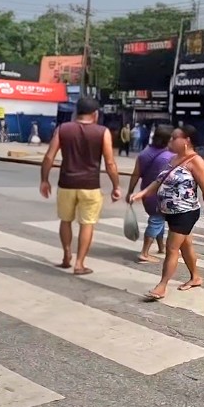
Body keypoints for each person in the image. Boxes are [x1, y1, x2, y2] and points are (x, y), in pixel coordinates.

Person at [130, 124, 204, 300]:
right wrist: (143, 193)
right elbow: (158, 181)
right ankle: (196, 277)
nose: (171, 140)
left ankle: (161, 286)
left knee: (172, 248)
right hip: (170, 212)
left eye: (174, 138)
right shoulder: (174, 159)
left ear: (186, 141)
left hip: (185, 212)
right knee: (186, 245)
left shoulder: (196, 162)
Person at [39, 97, 120, 276]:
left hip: (66, 183)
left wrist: (44, 180)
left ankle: (66, 255)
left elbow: (49, 157)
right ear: (95, 114)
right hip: (90, 186)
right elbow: (110, 163)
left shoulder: (63, 129)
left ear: (77, 112)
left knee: (65, 220)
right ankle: (79, 263)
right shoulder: (102, 132)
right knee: (87, 224)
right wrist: (116, 186)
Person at [127, 124, 174, 263]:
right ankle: (144, 252)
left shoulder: (144, 153)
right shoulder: (168, 157)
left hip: (146, 194)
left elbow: (135, 174)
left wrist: (130, 191)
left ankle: (161, 247)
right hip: (160, 195)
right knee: (156, 220)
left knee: (158, 220)